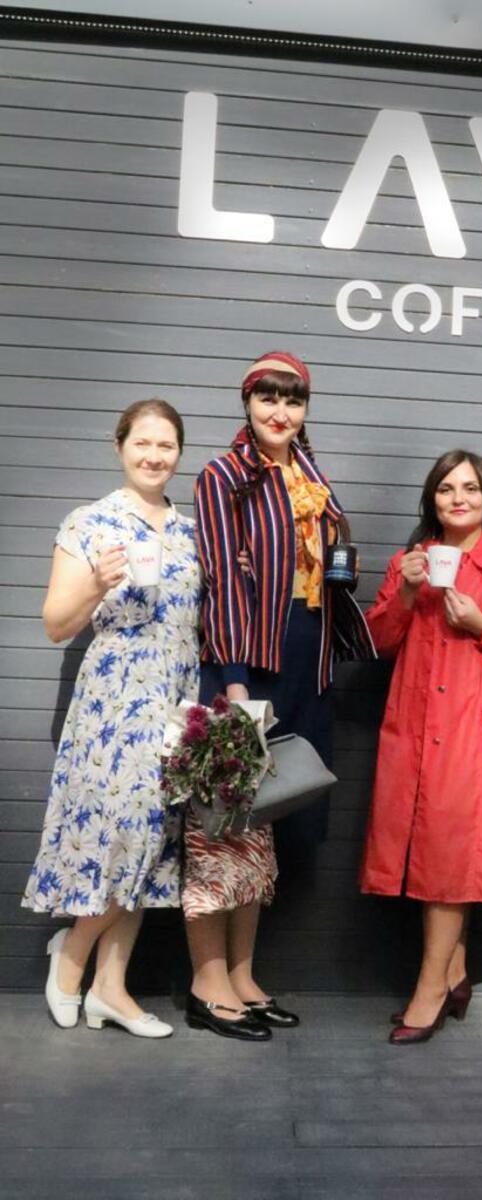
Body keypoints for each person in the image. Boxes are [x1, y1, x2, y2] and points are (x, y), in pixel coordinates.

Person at [186, 350, 374, 1041]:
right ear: (246, 402)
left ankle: (242, 976)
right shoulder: (223, 476)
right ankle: (206, 984)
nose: (280, 411)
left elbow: (324, 576)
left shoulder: (311, 478)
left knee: (265, 830)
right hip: (245, 667)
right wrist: (235, 681)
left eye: (292, 400)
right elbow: (221, 582)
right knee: (222, 827)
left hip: (304, 666)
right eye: (267, 398)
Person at [22, 399, 201, 1038]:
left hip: (176, 703)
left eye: (166, 445)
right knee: (120, 835)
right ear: (120, 446)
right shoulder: (90, 522)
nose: (154, 456)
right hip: (115, 703)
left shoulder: (192, 532)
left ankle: (110, 989)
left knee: (154, 843)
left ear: (179, 452)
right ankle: (72, 958)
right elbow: (55, 624)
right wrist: (98, 581)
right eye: (142, 443)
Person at [360, 450, 482, 1045]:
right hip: (418, 724)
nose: (458, 498)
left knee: (449, 860)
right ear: (432, 499)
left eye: (470, 488)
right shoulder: (409, 562)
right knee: (437, 855)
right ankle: (456, 972)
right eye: (446, 488)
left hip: (478, 730)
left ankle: (430, 990)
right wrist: (406, 591)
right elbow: (378, 641)